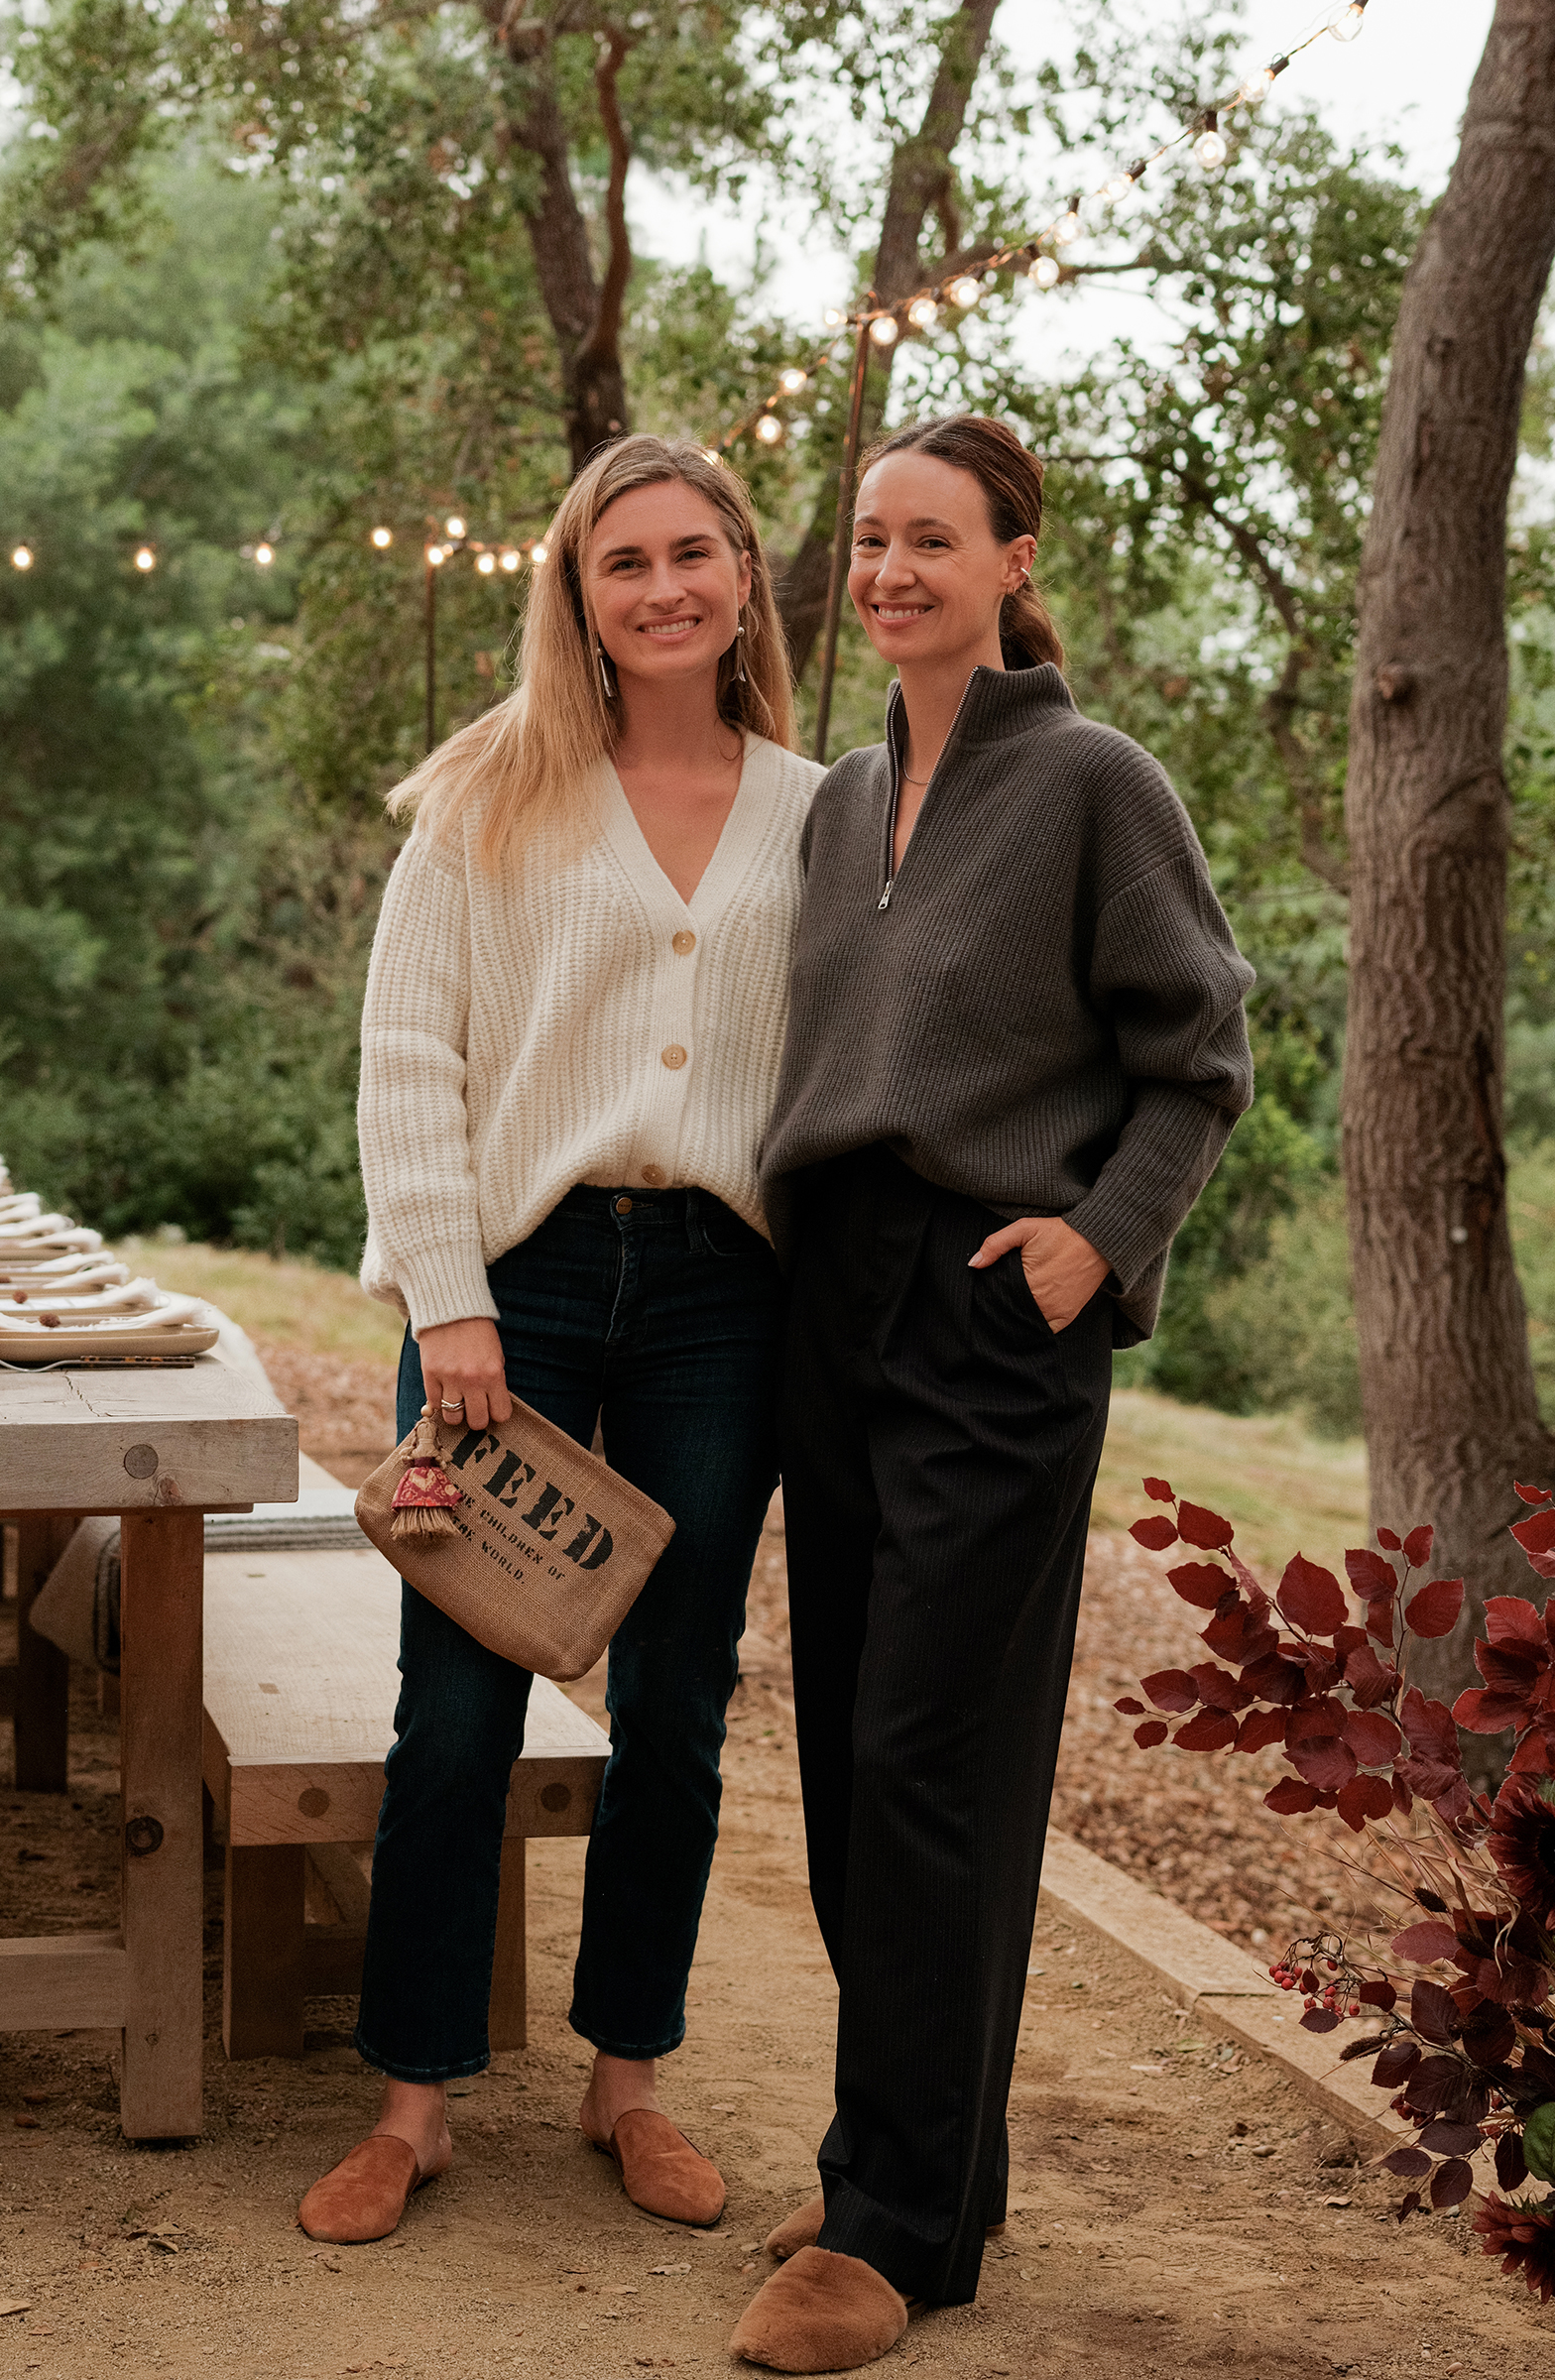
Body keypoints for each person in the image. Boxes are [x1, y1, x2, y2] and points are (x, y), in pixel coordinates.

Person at [731, 415, 1255, 2373]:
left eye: (930, 538)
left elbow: (1197, 1052)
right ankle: (907, 2154)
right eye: (867, 538)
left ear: (1013, 560)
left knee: (935, 1766)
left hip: (985, 1313)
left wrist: (1089, 1248)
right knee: (852, 1764)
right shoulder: (840, 792)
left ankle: (893, 2239)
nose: (887, 570)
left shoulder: (1095, 783)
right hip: (828, 1299)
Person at [297, 434, 825, 2249]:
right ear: (577, 595)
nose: (664, 586)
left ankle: (628, 2082)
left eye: (696, 553)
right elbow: (405, 1062)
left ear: (745, 576)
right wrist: (446, 1295)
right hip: (505, 1296)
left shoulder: (820, 812)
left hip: (719, 1303)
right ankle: (415, 2101)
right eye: (626, 563)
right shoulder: (491, 796)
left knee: (675, 1703)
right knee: (455, 1707)